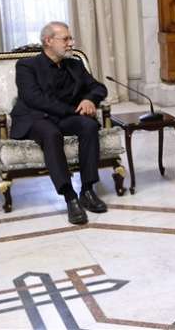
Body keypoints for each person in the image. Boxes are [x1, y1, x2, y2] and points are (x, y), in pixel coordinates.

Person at [11, 21, 109, 224]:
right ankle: (70, 197)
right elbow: (34, 99)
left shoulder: (75, 64)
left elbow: (99, 88)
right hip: (36, 117)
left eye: (70, 38)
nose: (71, 43)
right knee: (51, 133)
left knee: (89, 125)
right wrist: (74, 110)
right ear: (48, 41)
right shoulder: (26, 66)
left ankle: (87, 190)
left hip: (64, 117)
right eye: (65, 39)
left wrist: (89, 100)